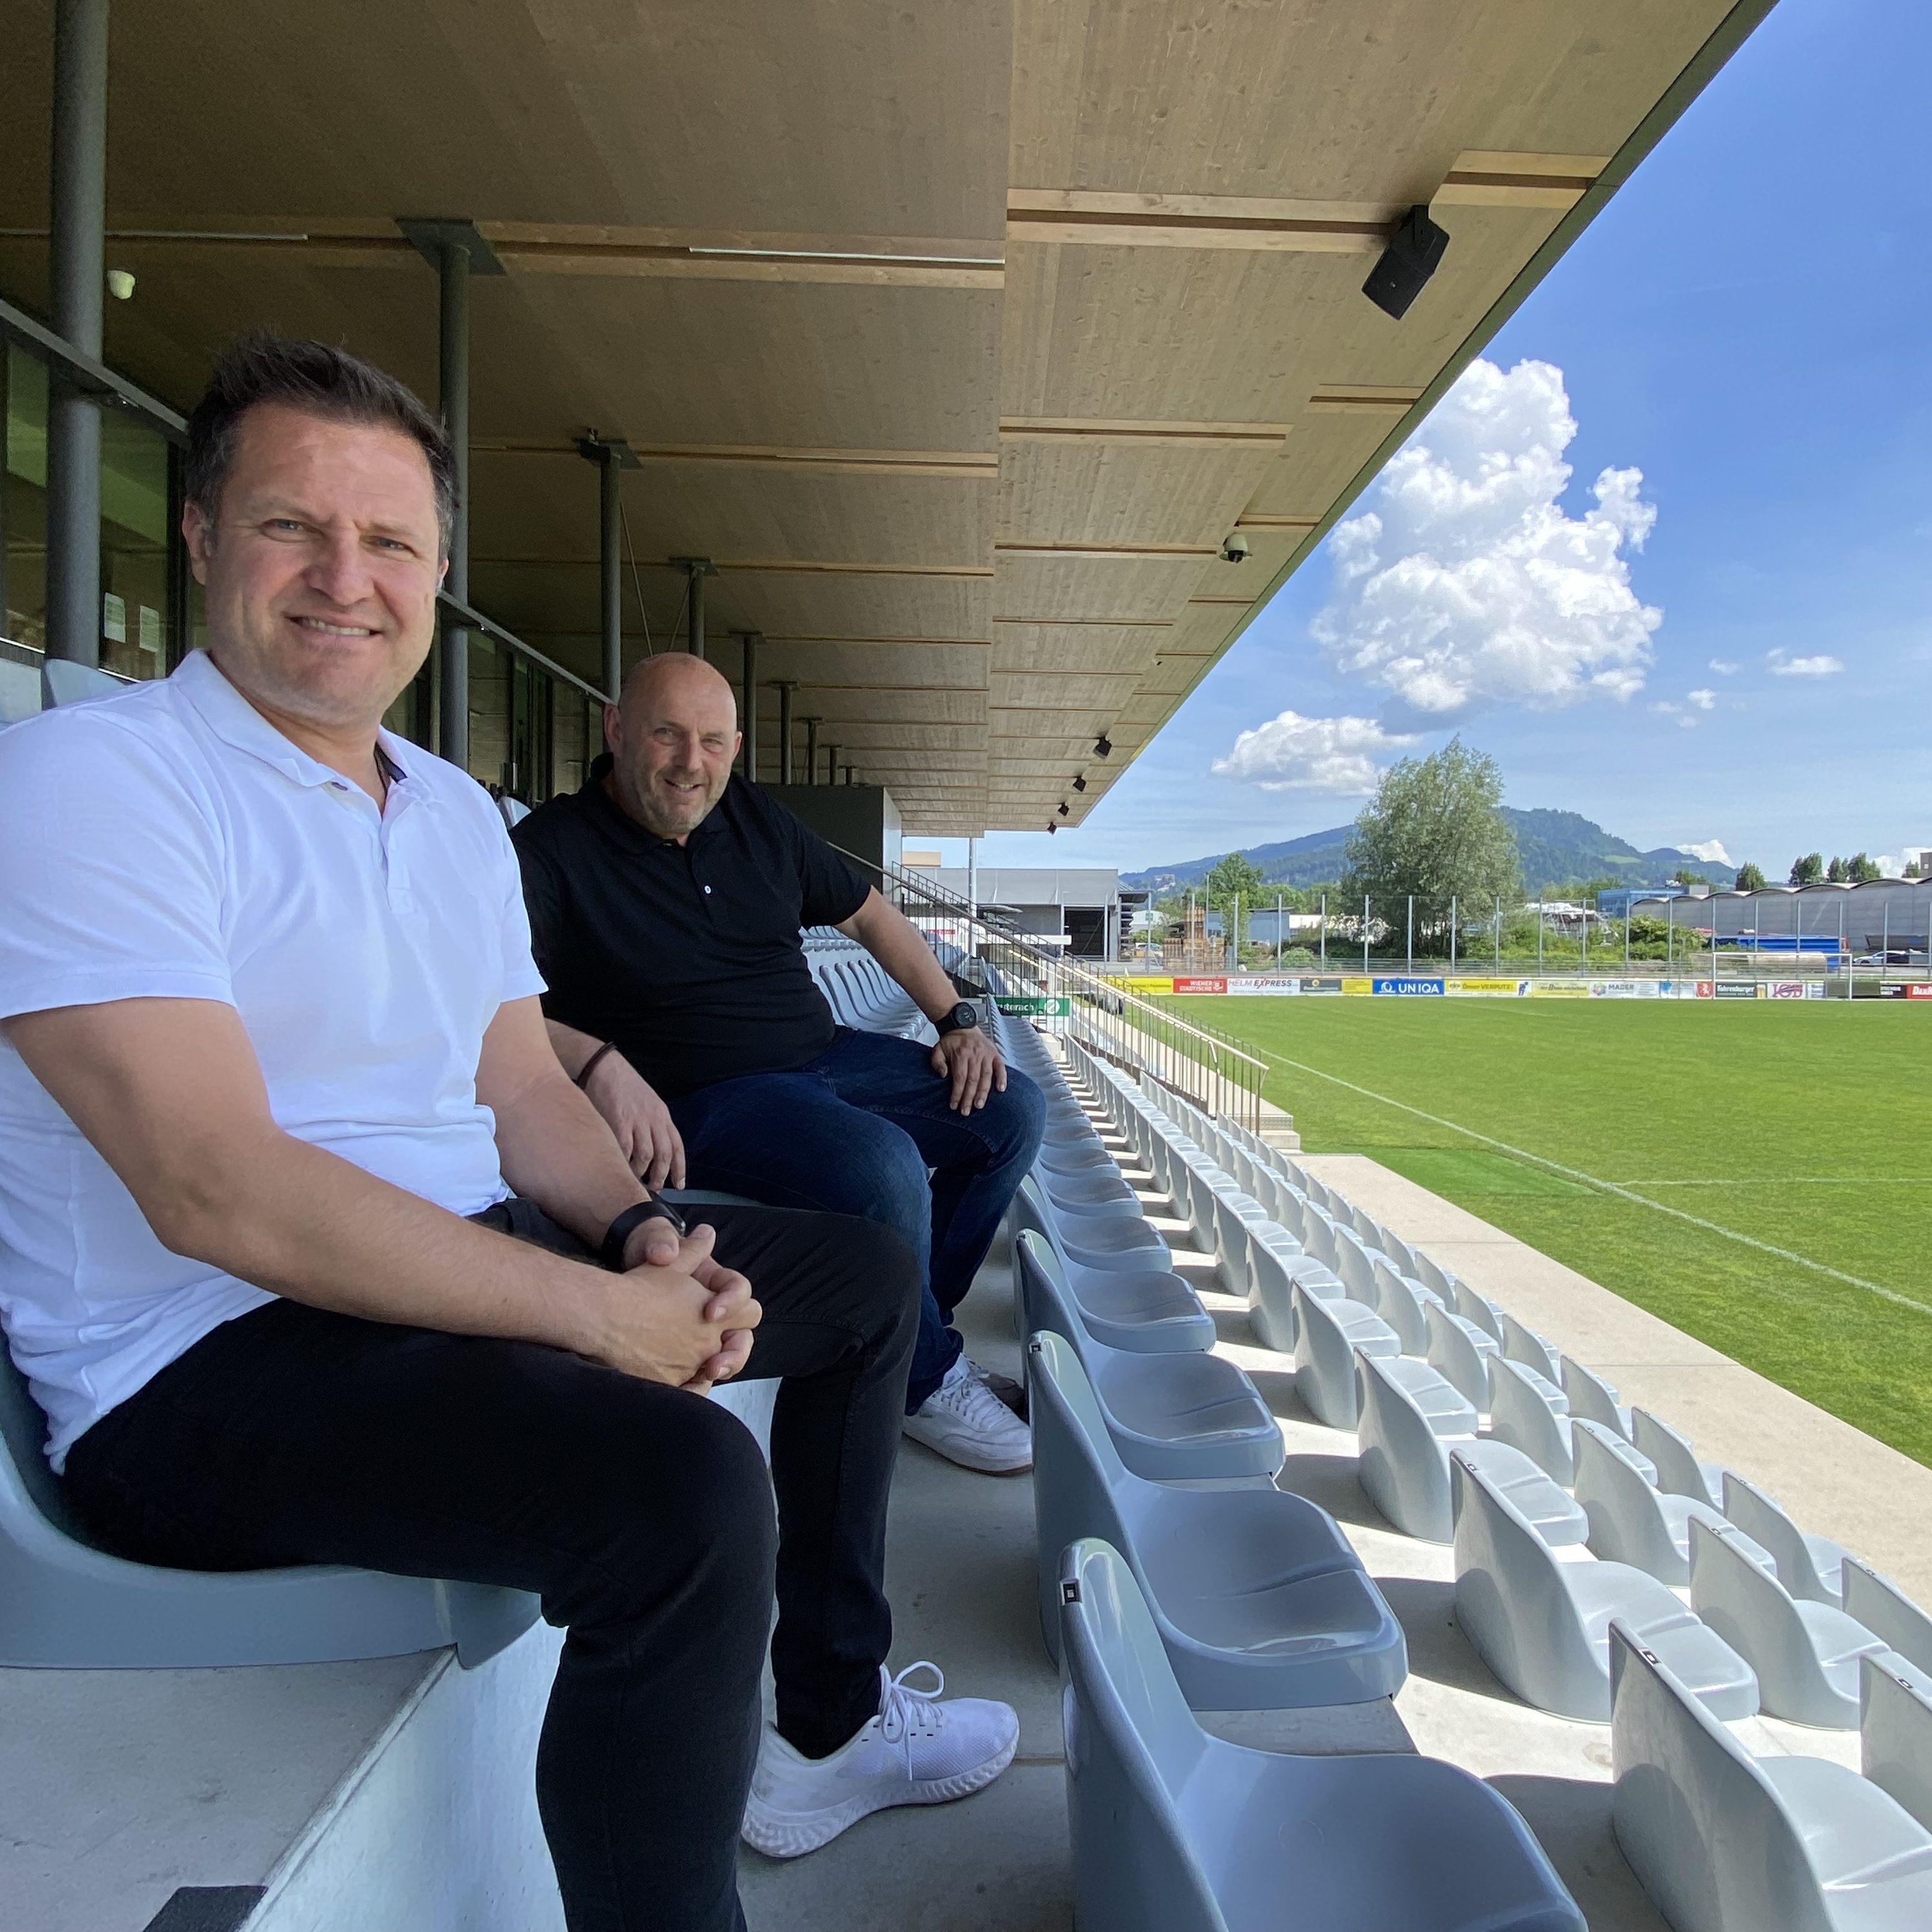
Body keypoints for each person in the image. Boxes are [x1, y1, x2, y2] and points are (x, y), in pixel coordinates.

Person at [0, 335, 1017, 1932]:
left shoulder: (452, 810)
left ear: (438, 570)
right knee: (684, 1500)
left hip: (456, 1265)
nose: (348, 578)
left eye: (391, 541)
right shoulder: (91, 779)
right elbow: (211, 1188)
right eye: (292, 527)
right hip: (199, 1363)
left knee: (866, 1277)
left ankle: (819, 1729)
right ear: (199, 537)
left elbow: (524, 1089)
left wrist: (638, 1234)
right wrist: (594, 1314)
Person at [511, 655, 1046, 1474]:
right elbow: (485, 1002)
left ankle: (915, 1336)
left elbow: (871, 916)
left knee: (1010, 1112)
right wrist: (596, 1060)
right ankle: (923, 1380)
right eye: (667, 734)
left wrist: (957, 1018)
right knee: (884, 1167)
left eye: (714, 742)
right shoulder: (549, 849)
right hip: (701, 1093)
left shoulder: (755, 819)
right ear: (616, 729)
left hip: (821, 1053)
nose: (692, 763)